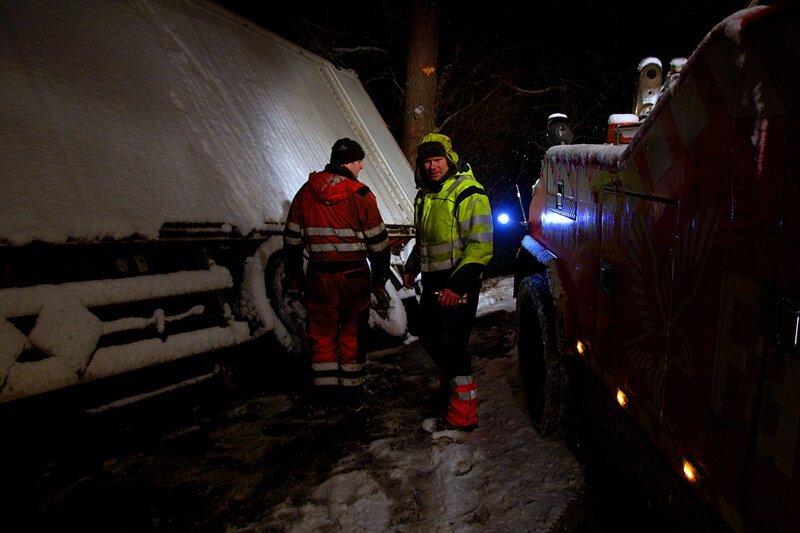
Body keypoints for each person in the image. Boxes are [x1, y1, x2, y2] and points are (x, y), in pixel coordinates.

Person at [283, 137, 391, 415]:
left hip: (317, 276)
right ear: (349, 163)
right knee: (352, 333)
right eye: (359, 162)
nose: (362, 167)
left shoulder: (305, 193)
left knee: (321, 333)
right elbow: (379, 244)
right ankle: (352, 395)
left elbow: (292, 241)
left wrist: (295, 276)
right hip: (353, 276)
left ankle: (325, 397)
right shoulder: (361, 195)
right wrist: (379, 279)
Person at [402, 133, 493, 432]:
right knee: (429, 336)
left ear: (450, 160)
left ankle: (464, 414)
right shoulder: (425, 195)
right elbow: (426, 240)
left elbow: (480, 246)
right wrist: (412, 266)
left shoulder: (469, 193)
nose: (431, 167)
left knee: (454, 347)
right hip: (432, 281)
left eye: (437, 160)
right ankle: (451, 393)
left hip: (457, 282)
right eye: (426, 161)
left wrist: (458, 286)